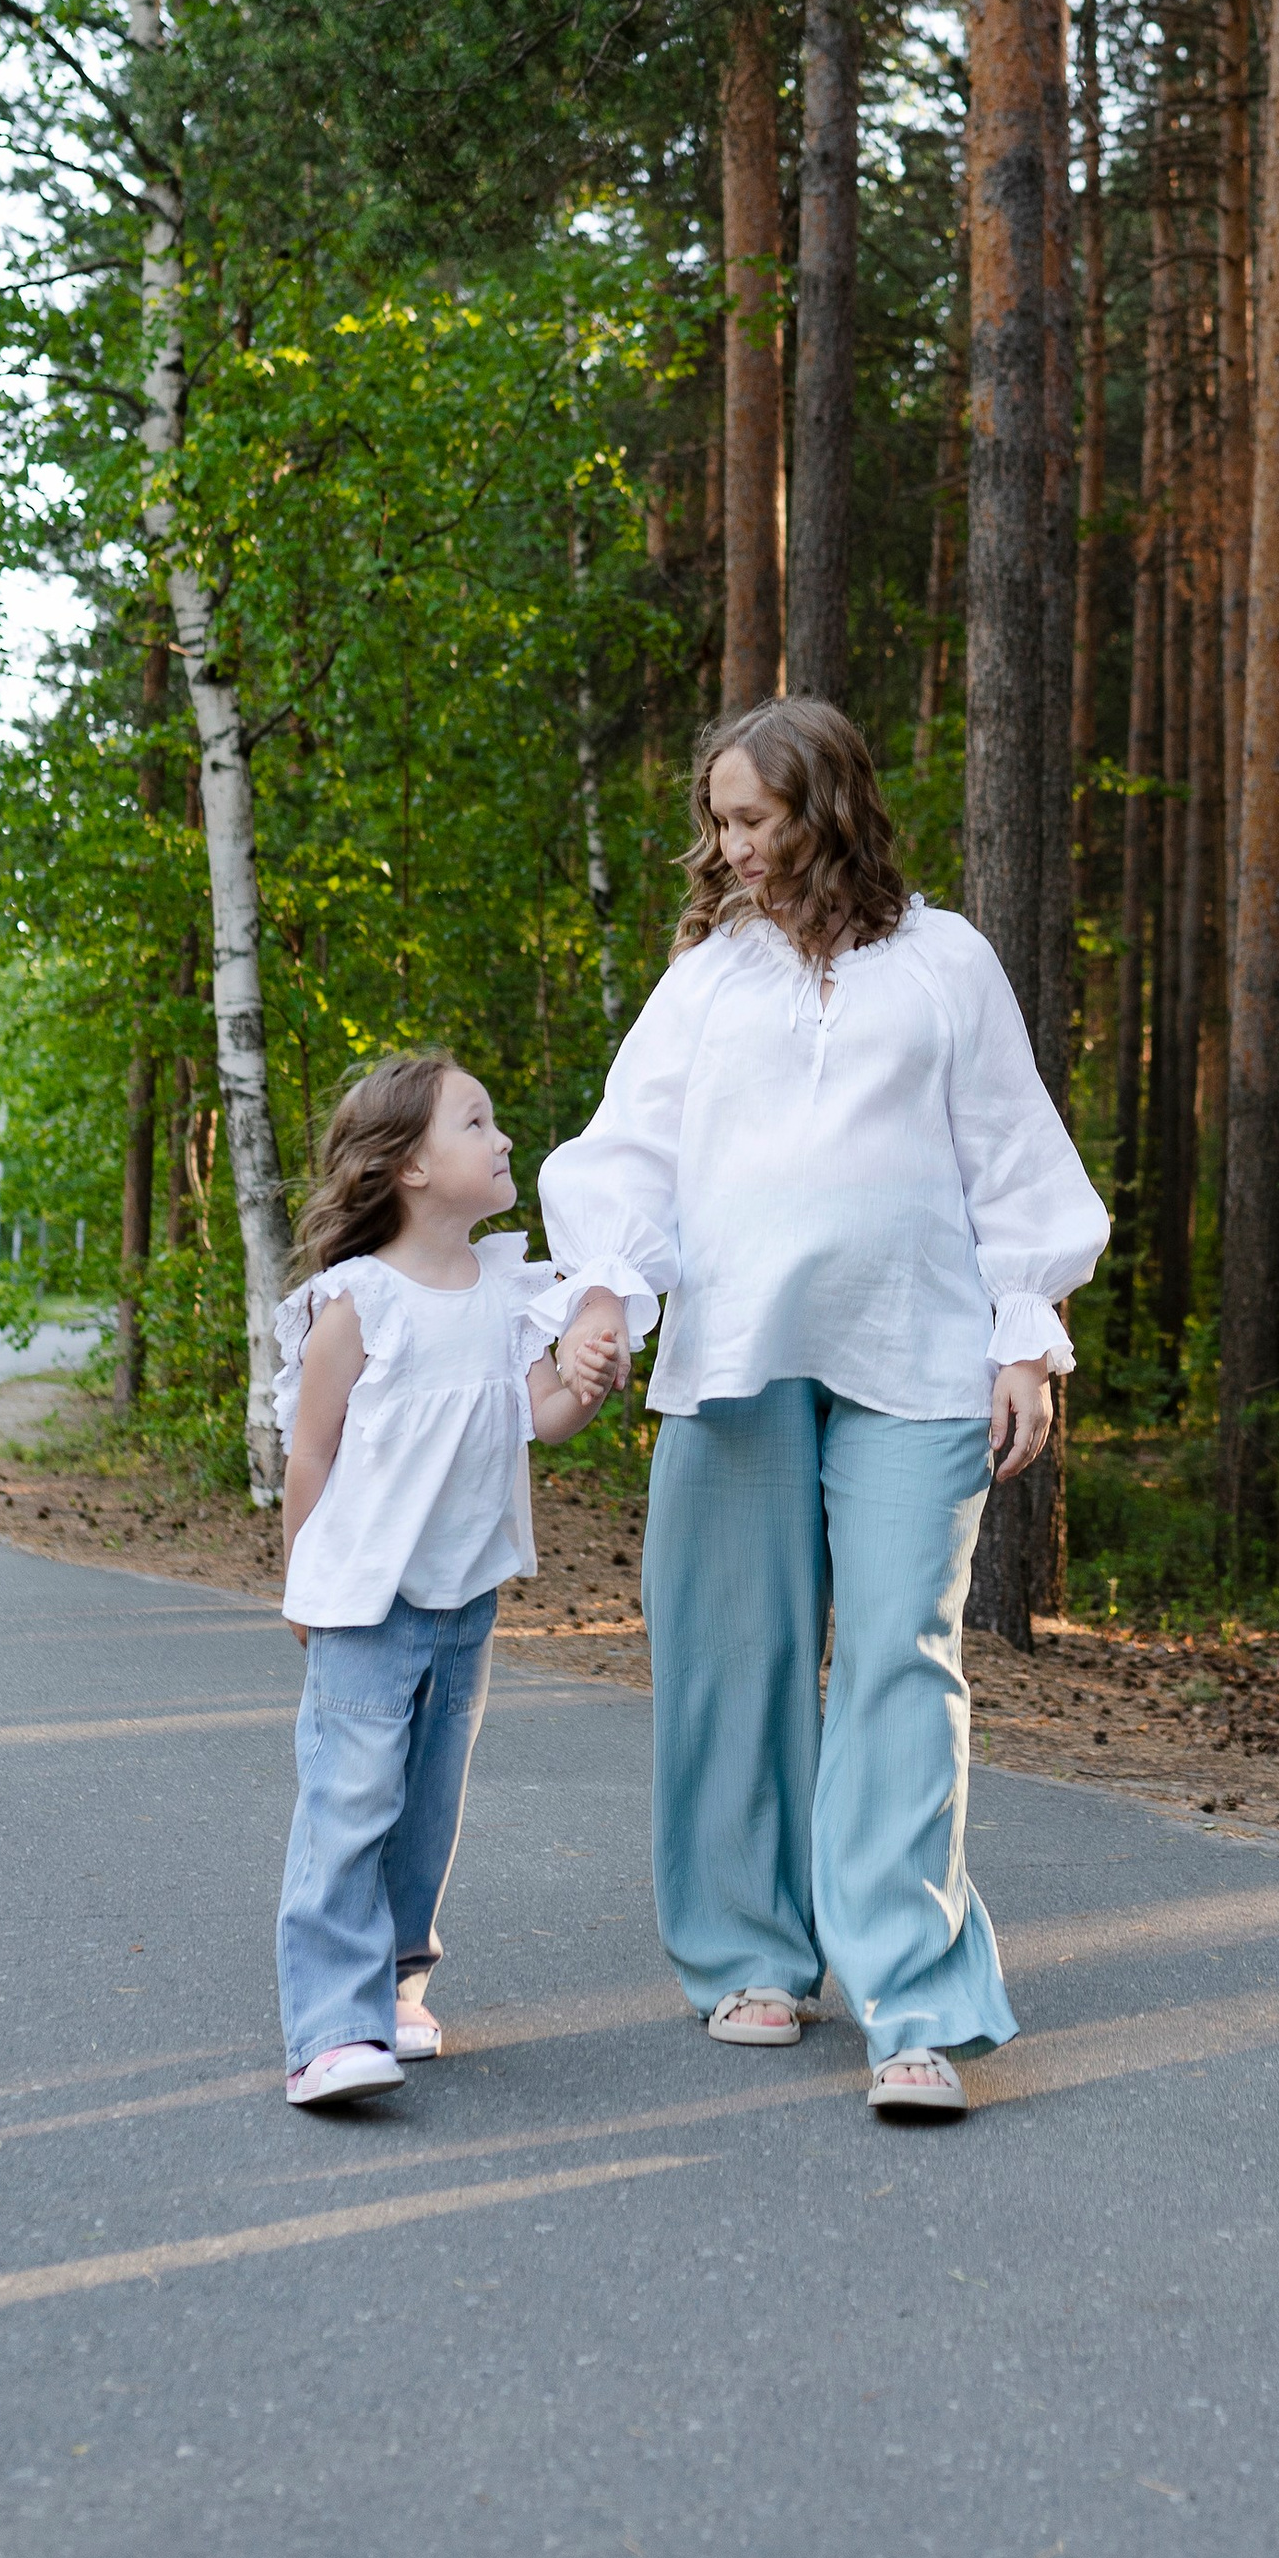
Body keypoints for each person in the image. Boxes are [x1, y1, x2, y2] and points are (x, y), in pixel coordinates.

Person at [536, 696, 1108, 2123]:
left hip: (917, 1357)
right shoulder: (710, 980)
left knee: (906, 1663)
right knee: (732, 1650)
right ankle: (750, 1955)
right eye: (717, 822)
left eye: (752, 819)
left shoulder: (945, 962)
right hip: (733, 1354)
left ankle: (911, 2002)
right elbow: (632, 1155)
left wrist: (1026, 1338)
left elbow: (1012, 1153)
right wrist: (605, 1291)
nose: (727, 848)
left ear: (828, 810)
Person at [271, 1048, 621, 2110]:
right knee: (350, 1804)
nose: (502, 1136)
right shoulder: (360, 1302)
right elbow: (310, 1452)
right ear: (409, 1167)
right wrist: (302, 1579)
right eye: (475, 1122)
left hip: (463, 1603)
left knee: (425, 1810)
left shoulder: (508, 1297)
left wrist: (588, 1382)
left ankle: (395, 1991)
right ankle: (329, 2031)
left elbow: (540, 1418)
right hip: (365, 1605)